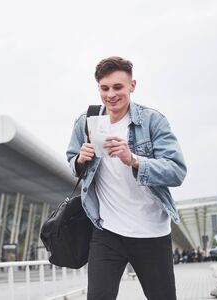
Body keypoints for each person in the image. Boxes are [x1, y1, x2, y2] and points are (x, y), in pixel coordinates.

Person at [66, 56, 187, 300]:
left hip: (151, 232)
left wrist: (133, 159)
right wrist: (80, 159)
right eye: (104, 88)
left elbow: (176, 171)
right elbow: (72, 161)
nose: (111, 94)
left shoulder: (152, 121)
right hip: (107, 230)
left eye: (118, 87)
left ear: (132, 86)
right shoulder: (87, 121)